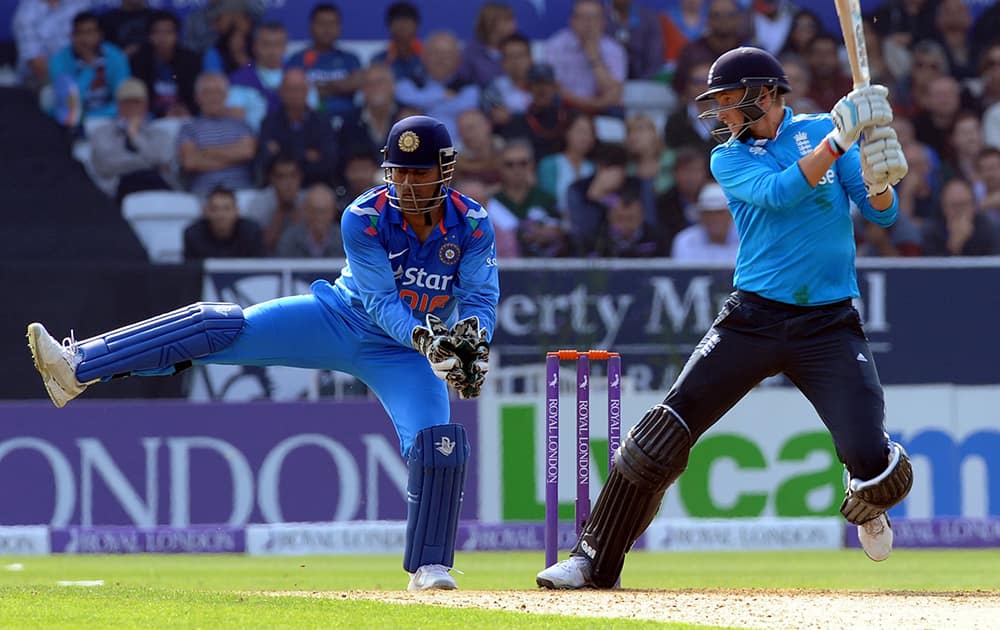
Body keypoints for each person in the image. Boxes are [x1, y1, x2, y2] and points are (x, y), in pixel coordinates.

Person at [26, 115, 499, 593]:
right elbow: (379, 302)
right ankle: (79, 365)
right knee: (218, 327)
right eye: (398, 172)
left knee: (438, 441)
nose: (406, 184)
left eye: (418, 174)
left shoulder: (474, 224)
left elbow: (480, 298)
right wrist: (428, 339)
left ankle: (430, 567)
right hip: (338, 319)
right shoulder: (364, 216)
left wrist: (475, 342)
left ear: (444, 171)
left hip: (403, 357)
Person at [537, 46, 912, 590]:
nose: (722, 113)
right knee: (662, 435)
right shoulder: (730, 159)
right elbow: (781, 195)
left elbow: (884, 213)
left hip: (828, 324)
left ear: (764, 93)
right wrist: (841, 140)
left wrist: (879, 174)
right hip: (753, 319)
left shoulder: (819, 132)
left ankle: (863, 490)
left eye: (730, 100)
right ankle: (592, 558)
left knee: (874, 461)